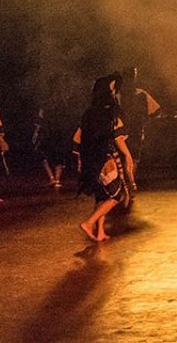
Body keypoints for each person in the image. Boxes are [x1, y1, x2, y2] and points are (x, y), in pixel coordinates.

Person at [72, 75, 136, 241]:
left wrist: (81, 159)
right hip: (105, 158)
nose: (115, 92)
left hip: (92, 160)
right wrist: (128, 156)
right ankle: (89, 223)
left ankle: (100, 231)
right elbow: (118, 137)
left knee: (102, 196)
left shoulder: (89, 113)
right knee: (117, 195)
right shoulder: (110, 112)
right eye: (112, 89)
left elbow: (77, 138)